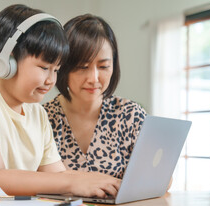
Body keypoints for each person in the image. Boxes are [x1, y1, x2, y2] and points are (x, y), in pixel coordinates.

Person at [0, 5, 120, 198]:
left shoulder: (38, 114)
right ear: (7, 62)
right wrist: (73, 182)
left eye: (56, 69)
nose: (51, 80)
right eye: (44, 67)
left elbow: (57, 175)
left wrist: (103, 182)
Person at [43, 14, 147, 179]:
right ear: (62, 67)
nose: (93, 78)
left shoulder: (131, 115)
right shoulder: (43, 118)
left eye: (104, 66)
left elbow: (159, 179)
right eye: (82, 67)